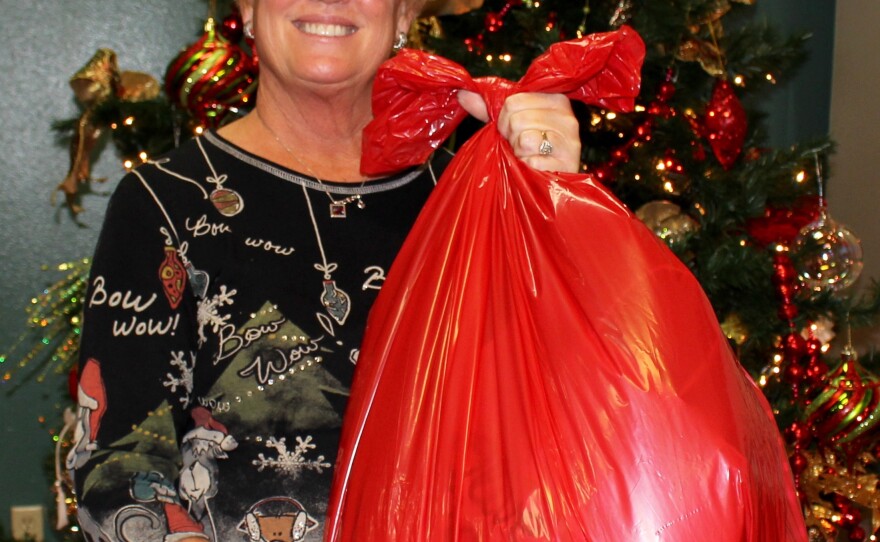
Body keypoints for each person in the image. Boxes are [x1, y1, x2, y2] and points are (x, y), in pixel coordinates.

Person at [67, 0, 582, 540]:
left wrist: (553, 197)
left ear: (404, 14)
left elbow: (562, 423)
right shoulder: (162, 204)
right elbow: (121, 466)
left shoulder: (472, 200)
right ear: (247, 9)